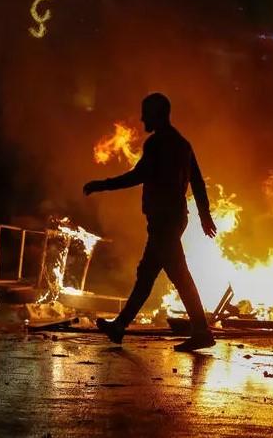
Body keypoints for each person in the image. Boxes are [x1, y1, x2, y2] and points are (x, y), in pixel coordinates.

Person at [83, 93, 218, 352]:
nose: (142, 117)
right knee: (147, 275)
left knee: (178, 275)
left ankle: (201, 331)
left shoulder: (157, 144)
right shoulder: (182, 143)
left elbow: (138, 176)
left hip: (165, 220)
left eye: (146, 112)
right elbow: (197, 182)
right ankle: (120, 326)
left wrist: (102, 185)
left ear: (158, 114)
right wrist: (204, 216)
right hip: (174, 217)